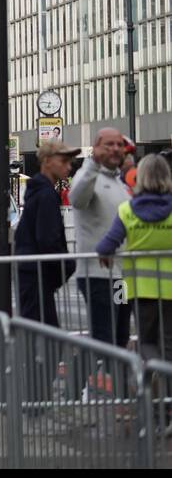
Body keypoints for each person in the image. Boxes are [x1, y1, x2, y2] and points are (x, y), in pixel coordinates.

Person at [98, 153, 172, 362]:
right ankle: (167, 389)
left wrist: (106, 256)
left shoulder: (127, 210)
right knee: (169, 343)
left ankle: (146, 384)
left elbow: (106, 245)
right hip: (170, 290)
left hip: (140, 289)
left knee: (146, 342)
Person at [70, 128, 134, 349]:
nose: (116, 149)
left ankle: (112, 380)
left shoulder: (120, 184)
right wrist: (92, 165)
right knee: (104, 339)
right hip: (98, 276)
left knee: (120, 335)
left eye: (119, 144)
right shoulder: (87, 177)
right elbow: (77, 199)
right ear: (96, 147)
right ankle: (89, 381)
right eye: (109, 144)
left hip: (121, 277)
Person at [14, 140, 78, 327]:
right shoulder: (46, 195)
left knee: (40, 331)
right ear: (48, 161)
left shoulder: (40, 191)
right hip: (36, 274)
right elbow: (48, 239)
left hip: (32, 271)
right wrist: (67, 267)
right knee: (44, 333)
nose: (69, 166)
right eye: (64, 161)